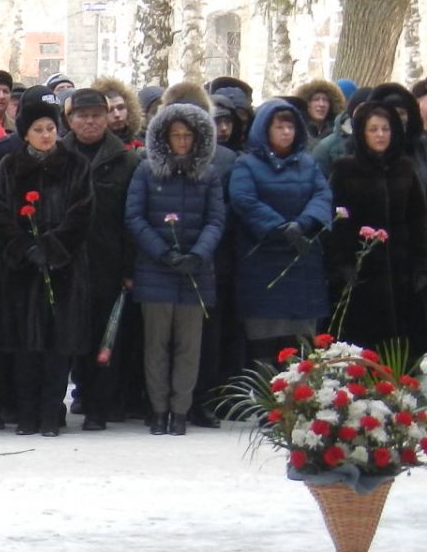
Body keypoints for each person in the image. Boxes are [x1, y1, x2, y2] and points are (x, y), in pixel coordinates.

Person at [0, 92, 94, 436]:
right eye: (38, 129)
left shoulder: (76, 165)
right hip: (22, 272)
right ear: (25, 134)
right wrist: (24, 247)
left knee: (58, 346)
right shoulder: (11, 166)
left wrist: (51, 247)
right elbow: (0, 212)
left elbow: (82, 212)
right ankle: (27, 413)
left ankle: (51, 412)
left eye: (51, 128)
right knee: (25, 347)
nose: (47, 135)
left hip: (63, 268)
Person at [126, 102, 225, 436]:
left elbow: (215, 220)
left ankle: (180, 409)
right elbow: (135, 217)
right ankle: (158, 409)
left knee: (188, 346)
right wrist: (162, 252)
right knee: (156, 345)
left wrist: (198, 254)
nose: (182, 142)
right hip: (157, 270)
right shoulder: (146, 171)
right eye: (176, 136)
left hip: (195, 272)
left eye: (187, 136)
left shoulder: (208, 174)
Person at [229, 98, 334, 362]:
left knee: (301, 349)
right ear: (265, 129)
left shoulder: (308, 164)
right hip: (263, 260)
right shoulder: (247, 164)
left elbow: (322, 195)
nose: (287, 132)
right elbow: (243, 200)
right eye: (279, 127)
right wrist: (279, 227)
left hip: (301, 261)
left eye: (291, 127)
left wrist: (303, 223)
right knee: (264, 347)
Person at [323, 98, 427, 358]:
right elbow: (337, 221)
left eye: (386, 129)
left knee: (404, 347)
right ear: (361, 132)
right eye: (373, 129)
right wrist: (343, 265)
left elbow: (418, 218)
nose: (381, 135)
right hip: (363, 272)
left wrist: (421, 264)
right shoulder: (345, 169)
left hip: (403, 273)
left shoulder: (405, 168)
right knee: (365, 346)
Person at [63, 88, 140, 430]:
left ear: (108, 117)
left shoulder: (126, 160)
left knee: (104, 336)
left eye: (96, 114)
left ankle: (100, 404)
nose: (90, 121)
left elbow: (132, 219)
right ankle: (75, 394)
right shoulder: (59, 155)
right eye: (83, 115)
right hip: (66, 262)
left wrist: (128, 267)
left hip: (108, 263)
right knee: (69, 334)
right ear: (70, 120)